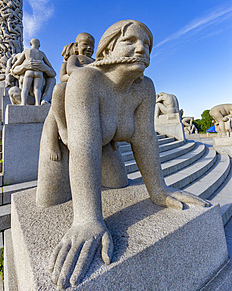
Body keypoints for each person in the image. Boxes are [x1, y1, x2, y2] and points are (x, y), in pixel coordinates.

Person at [36, 20, 209, 288]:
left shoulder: (144, 88)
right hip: (65, 140)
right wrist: (87, 219)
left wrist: (158, 189)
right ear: (107, 51)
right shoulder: (85, 80)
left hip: (103, 144)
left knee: (118, 183)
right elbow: (83, 146)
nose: (141, 49)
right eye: (130, 41)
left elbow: (144, 139)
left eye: (147, 45)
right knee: (50, 202)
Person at [49, 33, 95, 160]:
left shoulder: (95, 61)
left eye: (92, 46)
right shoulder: (74, 58)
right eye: (86, 45)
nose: (90, 48)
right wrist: (86, 72)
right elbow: (66, 74)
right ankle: (62, 130)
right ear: (76, 45)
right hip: (72, 89)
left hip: (91, 93)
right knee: (58, 90)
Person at [11, 38, 55, 105]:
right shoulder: (41, 53)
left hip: (29, 73)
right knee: (37, 89)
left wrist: (45, 68)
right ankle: (37, 104)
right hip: (38, 73)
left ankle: (40, 101)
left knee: (25, 89)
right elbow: (13, 70)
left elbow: (53, 73)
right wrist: (23, 66)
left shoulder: (26, 51)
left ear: (30, 44)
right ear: (39, 45)